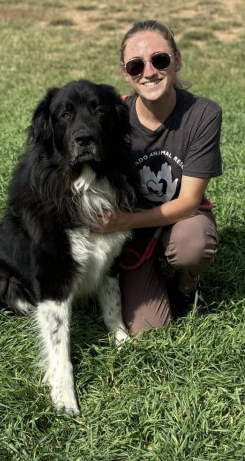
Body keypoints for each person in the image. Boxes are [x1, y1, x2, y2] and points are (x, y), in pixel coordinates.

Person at [93, 20, 222, 334]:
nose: (149, 72)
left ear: (177, 60)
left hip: (178, 219)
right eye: (136, 65)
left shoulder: (203, 114)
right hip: (132, 237)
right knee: (149, 328)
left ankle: (186, 284)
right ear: (126, 73)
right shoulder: (115, 119)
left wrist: (122, 221)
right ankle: (143, 274)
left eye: (160, 60)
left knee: (193, 242)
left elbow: (190, 202)